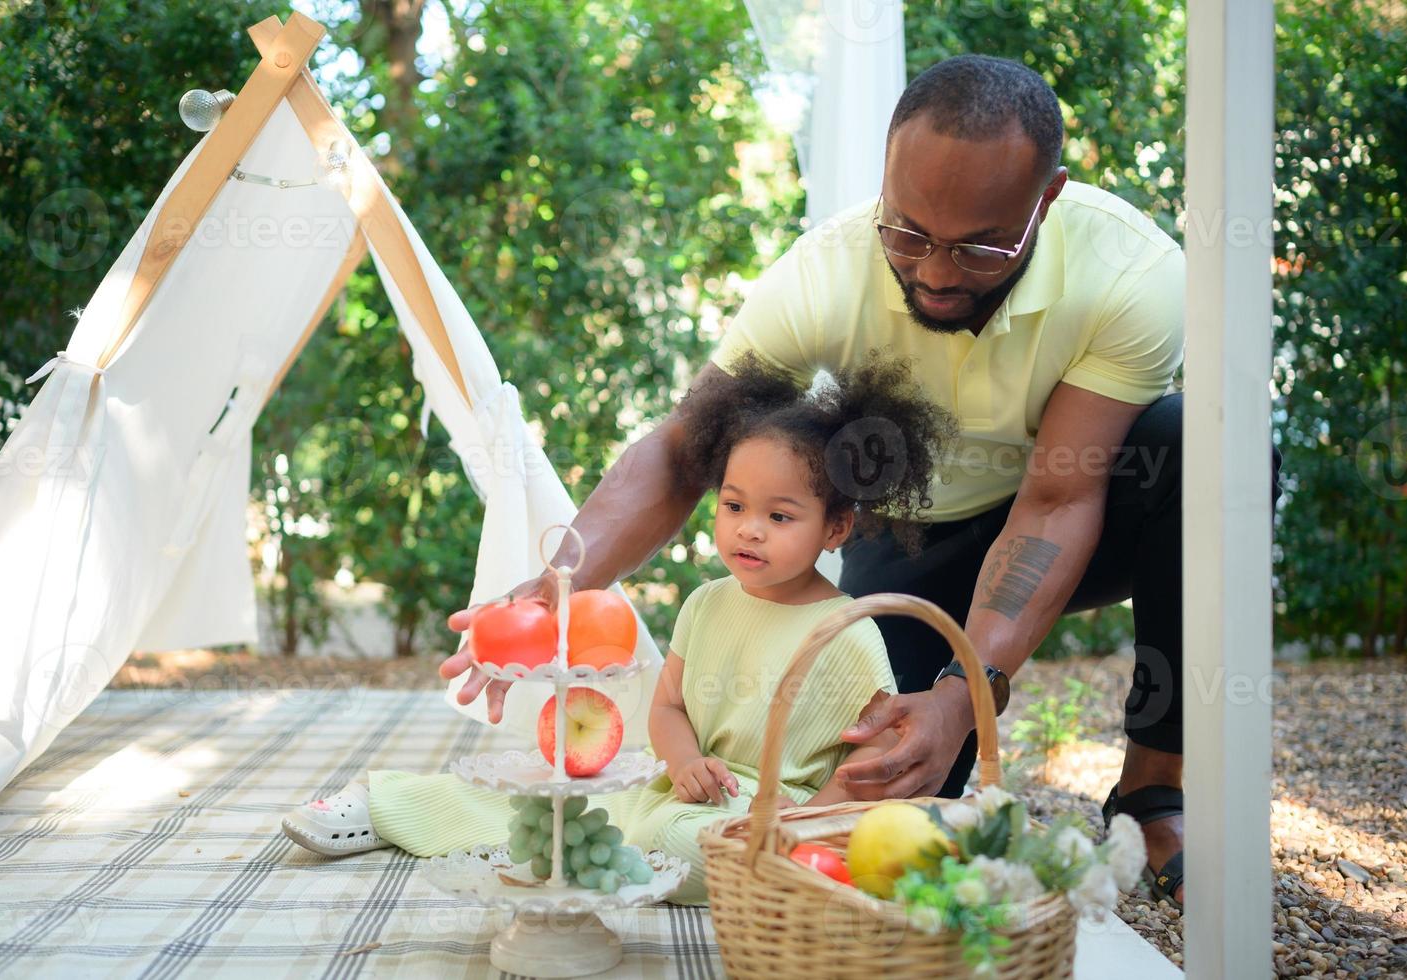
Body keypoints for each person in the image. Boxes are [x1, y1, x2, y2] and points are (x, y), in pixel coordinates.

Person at [444, 55, 1285, 911]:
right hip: (911, 536)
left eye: (978, 245)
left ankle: (1151, 791)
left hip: (1079, 515)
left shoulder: (1132, 277)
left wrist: (965, 696)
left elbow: (1056, 500)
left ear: (1048, 195)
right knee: (880, 793)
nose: (935, 273)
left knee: (1220, 448)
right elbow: (683, 448)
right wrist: (560, 583)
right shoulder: (828, 271)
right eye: (909, 233)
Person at [281, 355, 950, 903]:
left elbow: (870, 751)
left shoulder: (847, 630)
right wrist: (685, 759)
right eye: (733, 505)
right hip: (679, 791)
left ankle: (642, 863)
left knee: (693, 845)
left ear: (835, 528)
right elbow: (666, 708)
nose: (747, 528)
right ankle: (385, 801)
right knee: (547, 800)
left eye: (780, 516)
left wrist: (792, 826)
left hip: (764, 815)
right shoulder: (707, 604)